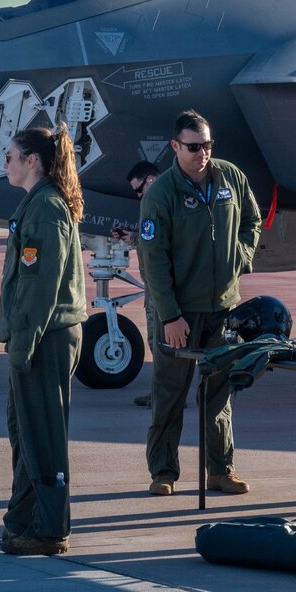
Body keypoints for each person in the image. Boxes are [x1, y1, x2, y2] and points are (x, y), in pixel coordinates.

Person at [135, 109, 262, 496]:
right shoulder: (161, 194)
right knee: (170, 393)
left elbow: (252, 221)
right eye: (193, 147)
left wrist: (240, 258)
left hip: (221, 308)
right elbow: (151, 260)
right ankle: (163, 471)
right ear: (175, 147)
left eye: (207, 145)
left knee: (218, 393)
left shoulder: (230, 177)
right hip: (178, 312)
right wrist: (170, 317)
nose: (202, 153)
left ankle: (220, 470)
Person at [0, 126, 89, 556]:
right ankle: (23, 520)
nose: (6, 163)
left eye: (11, 155)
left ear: (33, 160)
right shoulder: (37, 204)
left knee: (43, 434)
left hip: (45, 336)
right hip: (38, 333)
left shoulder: (46, 209)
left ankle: (51, 530)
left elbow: (39, 287)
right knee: (25, 432)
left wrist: (22, 343)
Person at [123, 160, 161, 408]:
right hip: (155, 290)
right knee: (157, 345)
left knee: (162, 346)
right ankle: (162, 394)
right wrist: (133, 238)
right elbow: (153, 241)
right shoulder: (156, 203)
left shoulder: (162, 203)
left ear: (150, 180)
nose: (138, 196)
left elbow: (164, 244)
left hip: (162, 291)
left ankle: (166, 397)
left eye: (139, 189)